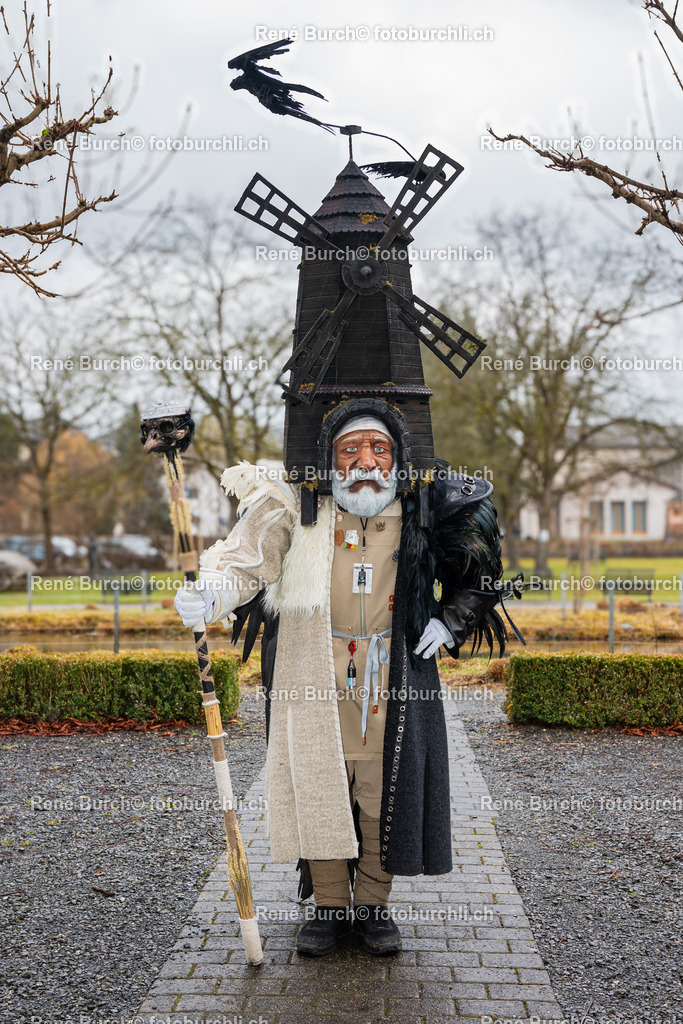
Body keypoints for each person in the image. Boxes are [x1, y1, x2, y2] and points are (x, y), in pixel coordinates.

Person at [175, 406, 509, 957]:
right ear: (328, 457)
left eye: (379, 450)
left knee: (383, 791)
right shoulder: (293, 507)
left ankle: (373, 906)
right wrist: (211, 594)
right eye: (350, 450)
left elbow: (480, 572)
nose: (366, 463)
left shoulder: (423, 508)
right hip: (312, 672)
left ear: (398, 457)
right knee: (319, 785)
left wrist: (450, 621)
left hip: (394, 677)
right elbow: (247, 562)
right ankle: (330, 907)